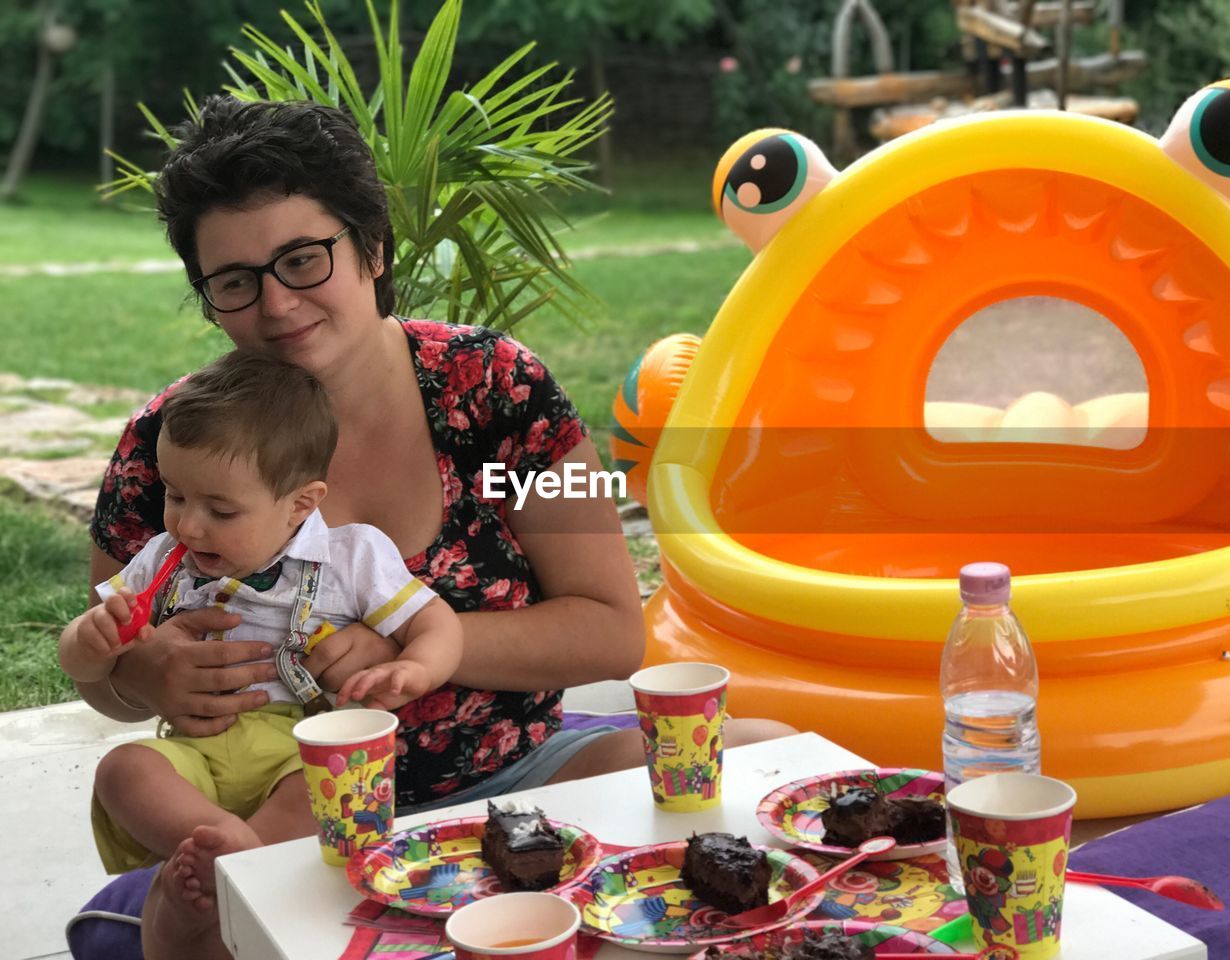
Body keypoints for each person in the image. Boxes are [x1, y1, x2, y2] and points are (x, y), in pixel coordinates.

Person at [71, 95, 794, 960]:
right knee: (216, 922)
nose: (275, 305)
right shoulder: (175, 442)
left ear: (371, 248)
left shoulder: (490, 392)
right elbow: (105, 669)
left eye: (304, 259)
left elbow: (611, 629)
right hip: (273, 810)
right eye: (233, 281)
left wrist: (414, 649)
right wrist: (144, 676)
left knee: (763, 760)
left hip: (511, 780)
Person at [61, 351, 463, 926]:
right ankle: (221, 845)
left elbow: (436, 622)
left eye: (220, 510)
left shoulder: (351, 556)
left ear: (302, 503)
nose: (187, 525)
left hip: (299, 750)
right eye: (175, 496)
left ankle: (232, 871)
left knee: (328, 791)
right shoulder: (161, 561)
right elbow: (80, 659)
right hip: (193, 750)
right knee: (123, 769)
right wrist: (90, 639)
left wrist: (416, 668)